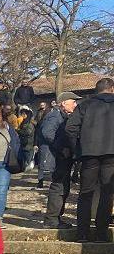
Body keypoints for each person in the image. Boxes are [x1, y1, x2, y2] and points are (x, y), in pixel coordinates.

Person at [67, 77, 114, 242]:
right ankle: (101, 233)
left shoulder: (85, 105)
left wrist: (78, 148)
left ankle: (82, 233)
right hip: (111, 153)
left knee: (86, 193)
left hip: (89, 154)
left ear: (96, 89)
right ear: (112, 89)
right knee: (107, 194)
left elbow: (70, 128)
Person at [41, 92, 80, 229]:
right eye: (73, 102)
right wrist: (61, 146)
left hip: (64, 156)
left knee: (64, 186)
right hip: (58, 157)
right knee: (58, 187)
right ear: (64, 103)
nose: (75, 104)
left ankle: (56, 217)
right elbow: (47, 132)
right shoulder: (55, 115)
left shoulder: (64, 116)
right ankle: (52, 219)